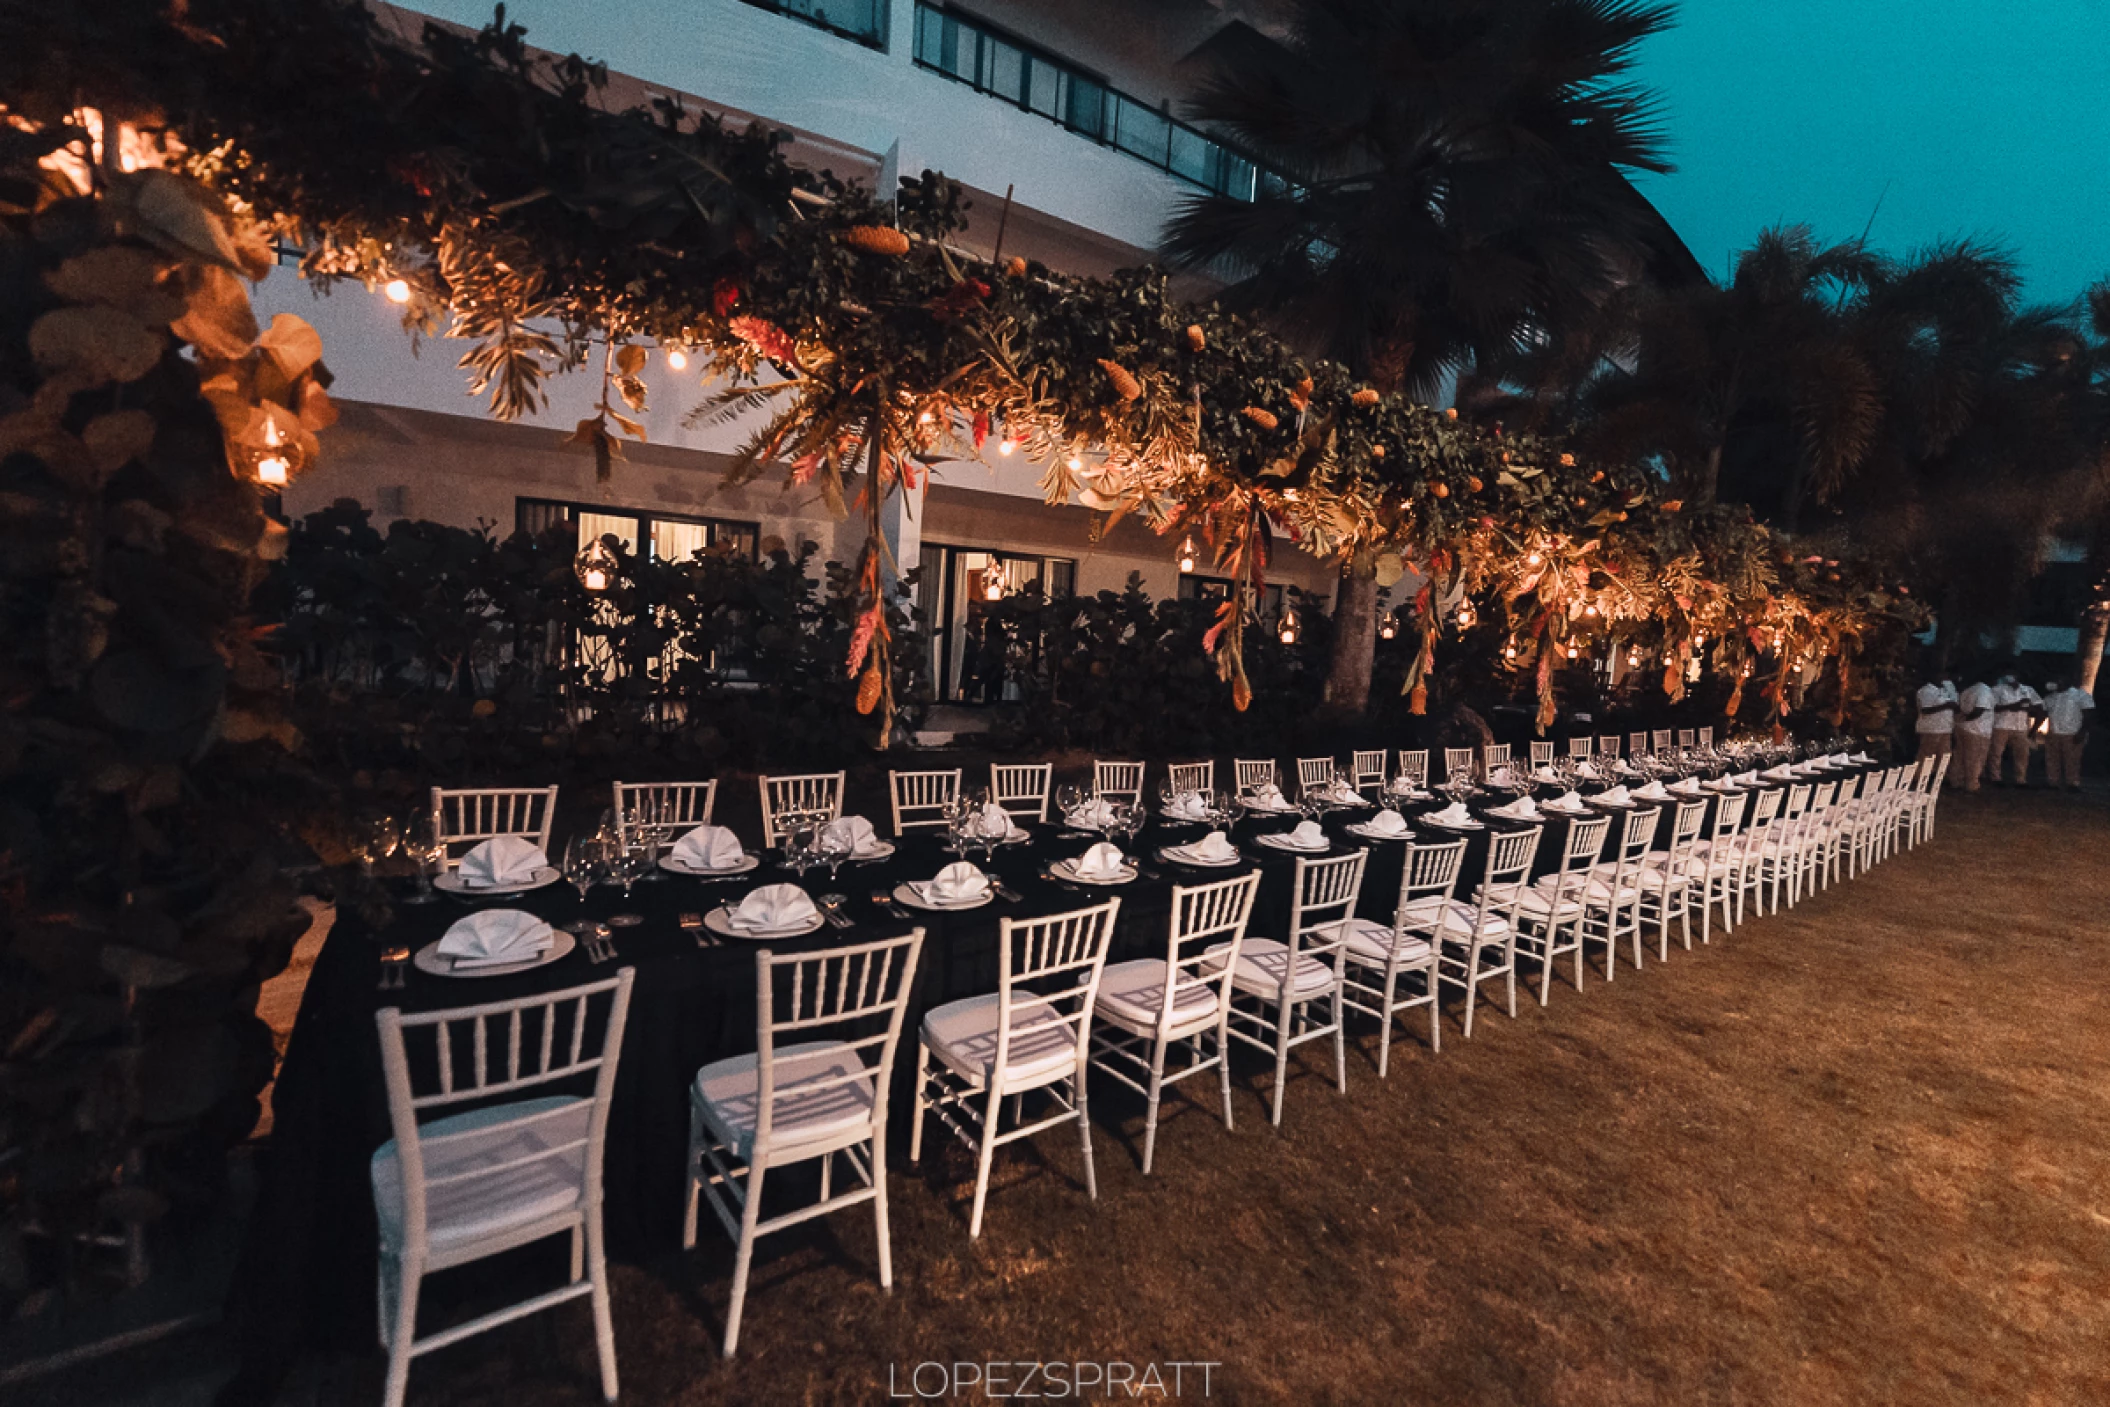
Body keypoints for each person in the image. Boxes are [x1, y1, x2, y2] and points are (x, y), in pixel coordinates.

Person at [1986, 667, 2043, 786]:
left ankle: (2020, 779)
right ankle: (1995, 777)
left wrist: (2028, 710)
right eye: (2007, 674)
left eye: (2011, 674)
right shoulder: (1997, 689)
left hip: (2020, 727)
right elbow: (1992, 707)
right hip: (2001, 726)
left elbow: (2039, 707)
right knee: (1996, 753)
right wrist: (2013, 706)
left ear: (2018, 676)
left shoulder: (2028, 690)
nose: (2009, 676)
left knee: (2022, 754)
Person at [2042, 678, 2094, 792]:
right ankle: (2053, 782)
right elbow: (2043, 714)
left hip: (2072, 733)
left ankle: (2073, 783)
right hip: (2054, 732)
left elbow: (2088, 715)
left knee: (2072, 759)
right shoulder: (2050, 697)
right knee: (2052, 758)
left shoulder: (2080, 695)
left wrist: (2082, 731)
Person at [1953, 673, 1996, 791]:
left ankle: (1956, 781)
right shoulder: (1985, 691)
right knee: (1975, 758)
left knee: (1960, 756)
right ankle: (1972, 784)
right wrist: (1967, 719)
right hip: (1978, 730)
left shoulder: (1969, 690)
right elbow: (1979, 710)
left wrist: (1962, 720)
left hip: (1962, 728)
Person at [1912, 668, 1958, 761]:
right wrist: (1945, 706)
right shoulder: (1926, 690)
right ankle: (1920, 775)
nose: (1943, 678)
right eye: (1941, 675)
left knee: (1944, 757)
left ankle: (1937, 775)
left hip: (1945, 729)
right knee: (1926, 757)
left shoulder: (1945, 690)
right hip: (1931, 729)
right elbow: (1925, 710)